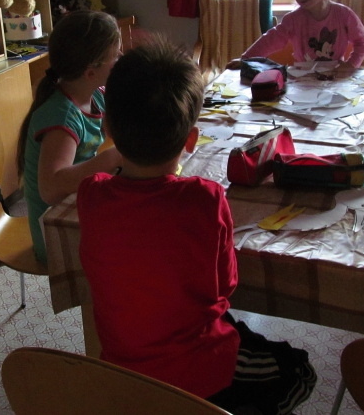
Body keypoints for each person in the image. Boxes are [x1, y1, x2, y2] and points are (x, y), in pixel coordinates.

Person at [78, 39, 316, 415]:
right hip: (198, 368)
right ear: (191, 140)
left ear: (108, 126)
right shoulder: (205, 198)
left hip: (124, 369)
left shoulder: (91, 195)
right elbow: (225, 287)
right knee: (300, 371)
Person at [17, 10, 123, 263]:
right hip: (55, 234)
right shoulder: (62, 118)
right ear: (90, 72)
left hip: (78, 206)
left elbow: (119, 122)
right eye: (116, 57)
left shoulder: (94, 93)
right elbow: (50, 189)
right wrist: (109, 159)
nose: (121, 58)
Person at [227, 0, 364, 70]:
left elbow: (363, 41)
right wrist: (246, 59)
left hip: (335, 75)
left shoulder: (344, 14)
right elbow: (270, 40)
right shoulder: (293, 19)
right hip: (304, 77)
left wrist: (351, 65)